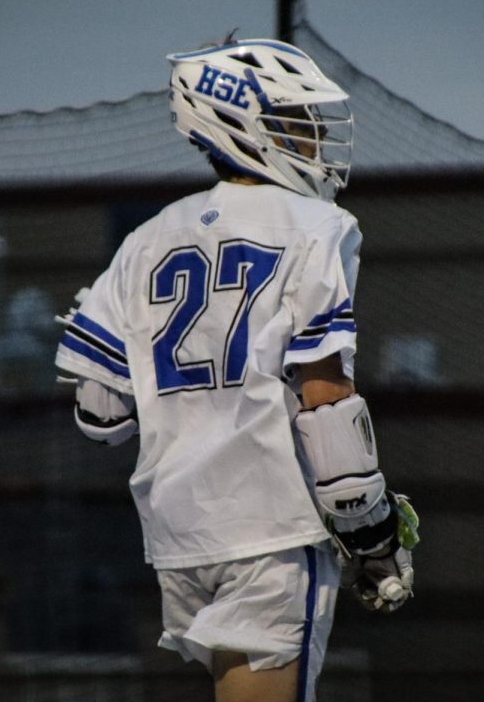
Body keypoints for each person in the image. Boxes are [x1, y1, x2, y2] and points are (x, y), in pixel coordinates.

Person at [55, 36, 418, 702]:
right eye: (295, 121)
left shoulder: (145, 239)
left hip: (180, 533)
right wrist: (370, 530)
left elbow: (99, 413)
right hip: (270, 524)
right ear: (245, 124)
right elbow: (324, 394)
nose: (313, 139)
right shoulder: (316, 224)